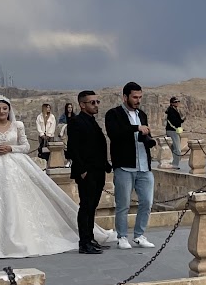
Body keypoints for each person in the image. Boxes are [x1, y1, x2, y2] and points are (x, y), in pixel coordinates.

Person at [0, 97, 114, 258]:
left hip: (14, 164)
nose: (2, 111)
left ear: (9, 110)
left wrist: (10, 148)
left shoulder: (17, 125)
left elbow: (25, 146)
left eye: (4, 108)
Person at [104, 82, 156, 249]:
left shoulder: (142, 114)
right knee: (123, 204)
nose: (138, 100)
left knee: (147, 202)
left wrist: (145, 134)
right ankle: (122, 237)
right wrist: (136, 128)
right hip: (125, 166)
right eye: (135, 97)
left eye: (140, 97)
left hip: (144, 166)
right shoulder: (113, 114)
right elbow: (114, 134)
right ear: (125, 97)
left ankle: (139, 235)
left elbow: (142, 134)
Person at [65, 90, 109, 255]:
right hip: (87, 172)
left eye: (97, 102)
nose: (96, 105)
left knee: (92, 207)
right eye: (92, 102)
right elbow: (74, 148)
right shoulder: (76, 122)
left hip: (98, 170)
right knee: (86, 206)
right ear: (82, 105)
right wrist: (82, 171)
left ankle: (90, 238)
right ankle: (84, 242)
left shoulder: (92, 121)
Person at [165, 96, 186, 167]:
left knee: (174, 149)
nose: (177, 103)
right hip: (172, 131)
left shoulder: (174, 110)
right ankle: (174, 164)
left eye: (178, 101)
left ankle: (174, 163)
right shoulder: (171, 111)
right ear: (172, 103)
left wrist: (181, 121)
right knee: (177, 149)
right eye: (175, 102)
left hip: (173, 130)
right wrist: (181, 120)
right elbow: (174, 122)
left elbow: (177, 121)